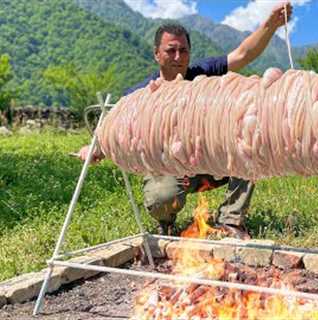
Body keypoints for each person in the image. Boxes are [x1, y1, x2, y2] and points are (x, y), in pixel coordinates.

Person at [79, 2, 293, 239]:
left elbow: (243, 54)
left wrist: (271, 24)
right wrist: (95, 147)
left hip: (210, 163)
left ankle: (230, 220)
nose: (178, 57)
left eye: (184, 50)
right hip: (169, 168)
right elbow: (117, 126)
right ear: (156, 53)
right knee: (162, 197)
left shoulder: (201, 74)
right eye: (171, 50)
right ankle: (167, 222)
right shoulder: (141, 94)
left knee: (248, 145)